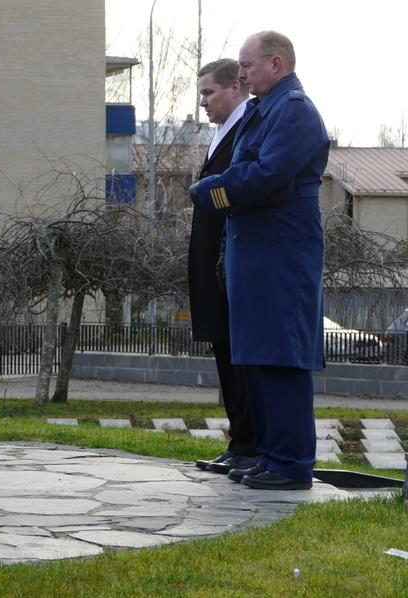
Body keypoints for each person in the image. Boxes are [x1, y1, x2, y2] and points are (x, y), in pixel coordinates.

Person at [189, 31, 328, 490]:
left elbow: (265, 174)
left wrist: (212, 193)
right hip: (256, 250)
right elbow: (243, 165)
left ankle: (290, 462)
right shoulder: (262, 110)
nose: (241, 74)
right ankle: (267, 455)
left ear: (276, 63)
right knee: (258, 356)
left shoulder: (294, 111)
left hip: (281, 252)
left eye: (247, 66)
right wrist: (226, 182)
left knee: (281, 355)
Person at [189, 59, 257, 476]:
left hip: (228, 262)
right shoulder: (220, 134)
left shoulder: (246, 131)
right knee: (224, 353)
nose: (203, 102)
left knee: (239, 357)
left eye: (209, 92)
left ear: (235, 88)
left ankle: (250, 445)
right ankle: (241, 443)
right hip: (211, 263)